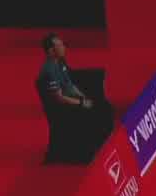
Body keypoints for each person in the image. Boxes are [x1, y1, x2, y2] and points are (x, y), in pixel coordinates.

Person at [37, 32, 113, 164]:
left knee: (102, 106)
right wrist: (81, 103)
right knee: (95, 111)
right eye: (60, 45)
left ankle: (99, 147)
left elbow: (70, 85)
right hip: (59, 108)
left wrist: (84, 97)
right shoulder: (49, 71)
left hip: (70, 100)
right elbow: (59, 98)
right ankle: (88, 153)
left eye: (62, 44)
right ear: (51, 51)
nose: (64, 47)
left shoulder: (60, 63)